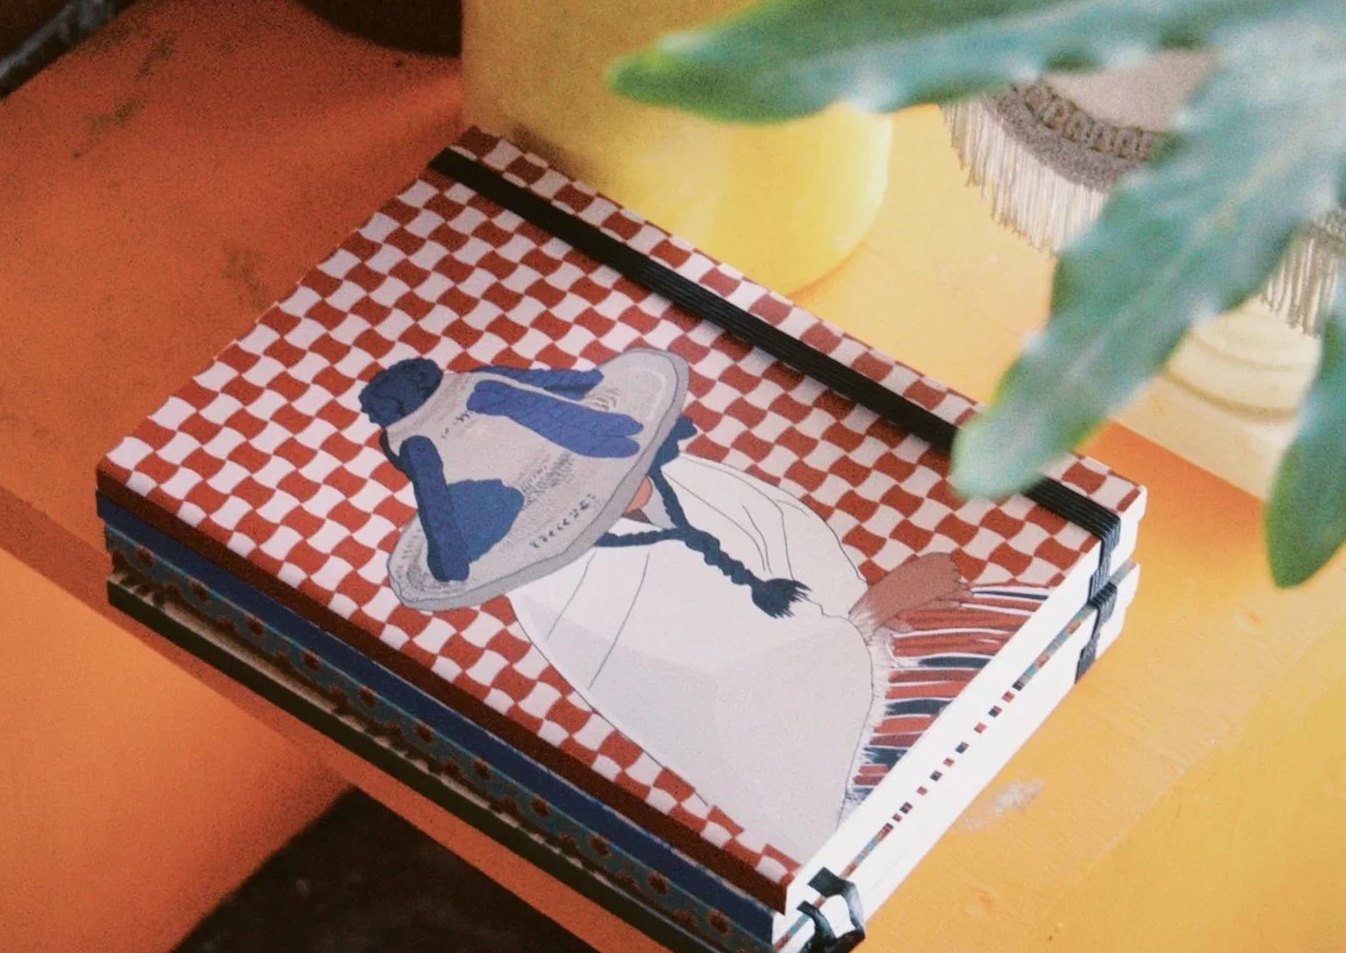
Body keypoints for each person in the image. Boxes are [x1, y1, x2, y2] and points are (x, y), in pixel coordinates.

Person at [361, 349, 966, 861]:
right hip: (847, 782)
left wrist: (880, 613)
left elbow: (806, 551)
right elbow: (754, 697)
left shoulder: (689, 479)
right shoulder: (567, 592)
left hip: (896, 684)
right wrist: (882, 619)